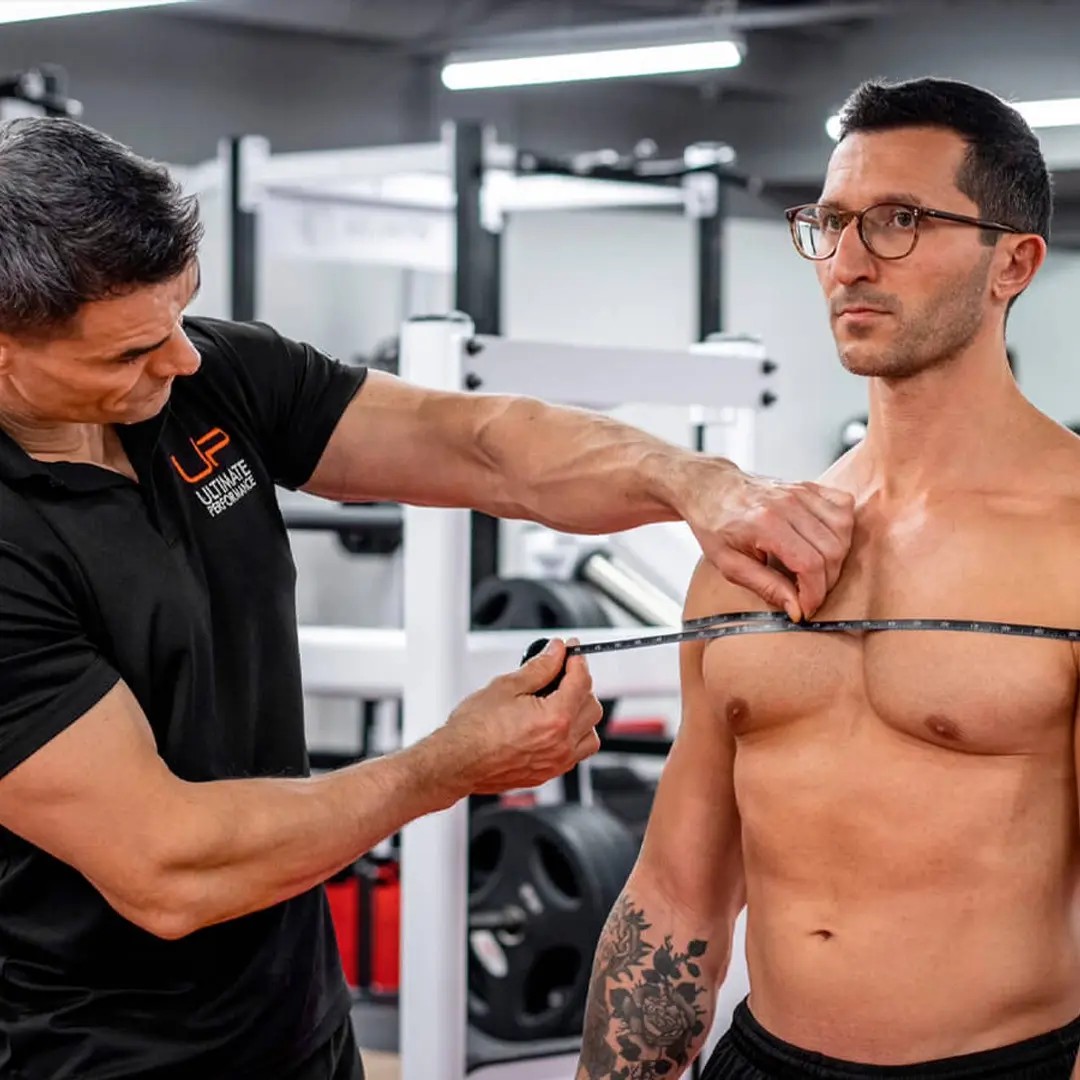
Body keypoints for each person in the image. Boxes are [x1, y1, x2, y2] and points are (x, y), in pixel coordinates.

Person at [0, 116, 854, 1080]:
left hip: (298, 1026)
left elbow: (479, 444)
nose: (181, 360)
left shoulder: (209, 377)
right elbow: (167, 870)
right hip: (97, 1056)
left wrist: (696, 483)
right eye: (130, 353)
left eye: (181, 317)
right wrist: (447, 765)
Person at [576, 76, 1080, 1080]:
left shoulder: (1068, 539)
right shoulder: (754, 549)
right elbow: (677, 889)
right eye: (832, 222)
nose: (848, 262)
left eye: (900, 220)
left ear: (1013, 263)